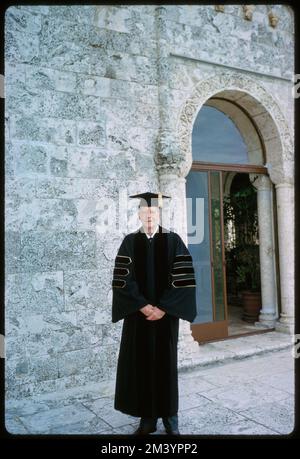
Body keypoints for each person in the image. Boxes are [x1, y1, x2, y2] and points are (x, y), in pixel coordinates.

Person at [111, 192, 197, 435]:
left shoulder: (173, 240)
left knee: (165, 366)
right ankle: (147, 419)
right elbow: (122, 279)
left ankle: (170, 418)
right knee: (142, 366)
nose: (149, 216)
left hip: (164, 318)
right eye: (145, 212)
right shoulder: (129, 241)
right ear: (139, 214)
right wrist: (142, 305)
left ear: (159, 214)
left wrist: (163, 308)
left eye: (153, 212)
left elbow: (183, 278)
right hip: (138, 317)